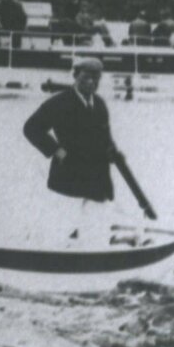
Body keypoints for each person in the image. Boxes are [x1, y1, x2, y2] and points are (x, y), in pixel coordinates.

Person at [23, 60, 125, 230]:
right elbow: (31, 128)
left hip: (97, 183)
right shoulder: (59, 103)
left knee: (95, 230)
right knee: (65, 230)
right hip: (67, 181)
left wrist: (112, 153)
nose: (91, 82)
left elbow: (105, 138)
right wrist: (56, 151)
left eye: (96, 78)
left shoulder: (99, 105)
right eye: (86, 77)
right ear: (75, 76)